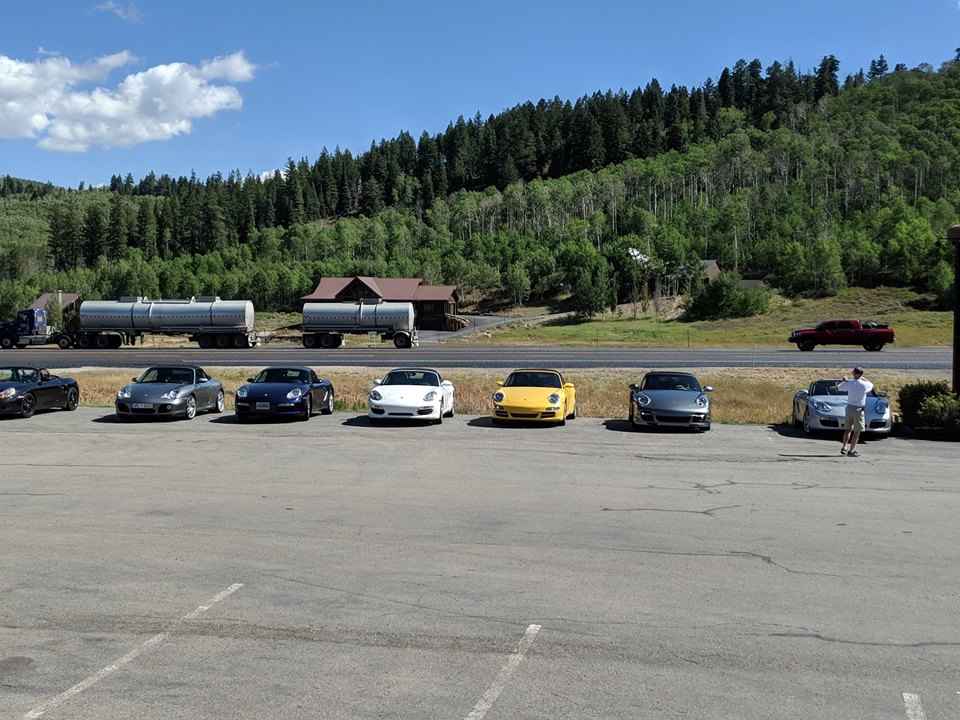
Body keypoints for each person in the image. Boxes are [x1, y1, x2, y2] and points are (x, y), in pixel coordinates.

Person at [836, 367, 873, 457]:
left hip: (849, 407)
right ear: (861, 374)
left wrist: (843, 381)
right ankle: (851, 450)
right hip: (859, 409)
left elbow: (837, 388)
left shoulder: (849, 383)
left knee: (848, 429)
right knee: (857, 431)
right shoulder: (865, 384)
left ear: (854, 374)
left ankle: (844, 447)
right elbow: (871, 385)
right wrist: (863, 378)